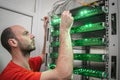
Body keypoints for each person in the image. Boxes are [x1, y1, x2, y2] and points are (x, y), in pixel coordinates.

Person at [0, 11, 73, 80]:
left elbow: (44, 55)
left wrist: (46, 30)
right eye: (26, 34)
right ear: (13, 42)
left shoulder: (29, 63)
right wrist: (65, 30)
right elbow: (63, 75)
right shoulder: (13, 75)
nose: (32, 36)